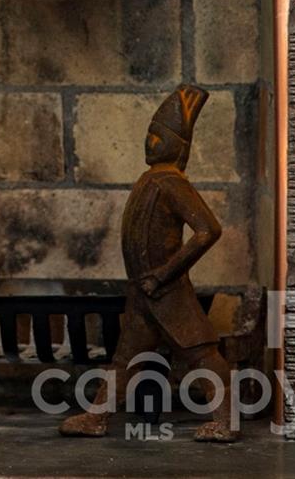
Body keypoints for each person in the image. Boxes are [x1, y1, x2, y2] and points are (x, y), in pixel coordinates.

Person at [60, 83, 240, 443]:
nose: (151, 142)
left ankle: (226, 420)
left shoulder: (173, 184)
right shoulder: (151, 181)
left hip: (165, 289)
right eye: (150, 135)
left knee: (201, 352)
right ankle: (96, 417)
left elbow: (208, 230)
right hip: (144, 291)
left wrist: (163, 274)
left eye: (159, 137)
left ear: (179, 146)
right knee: (125, 358)